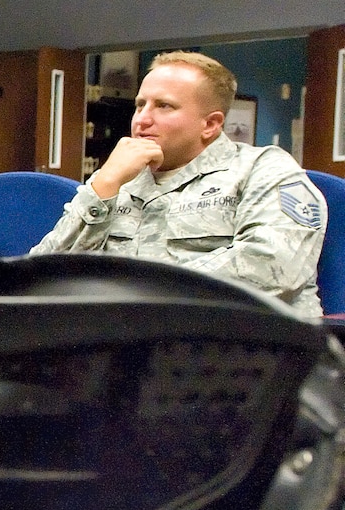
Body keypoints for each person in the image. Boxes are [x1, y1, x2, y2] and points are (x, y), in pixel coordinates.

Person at [31, 50, 327, 319]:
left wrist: (132, 295)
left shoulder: (265, 170)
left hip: (241, 351)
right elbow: (39, 277)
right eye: (140, 105)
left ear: (210, 124)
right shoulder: (119, 177)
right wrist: (103, 186)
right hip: (126, 348)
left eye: (164, 106)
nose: (142, 120)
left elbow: (271, 267)